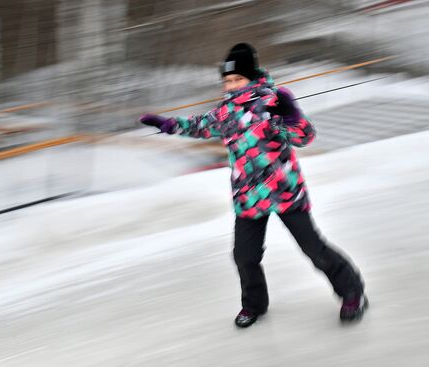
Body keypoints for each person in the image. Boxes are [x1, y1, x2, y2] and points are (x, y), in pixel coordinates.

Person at [139, 43, 367, 328]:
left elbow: (303, 137)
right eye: (228, 81)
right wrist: (169, 124)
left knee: (313, 248)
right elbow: (199, 125)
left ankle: (352, 291)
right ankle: (255, 304)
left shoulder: (273, 101)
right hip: (248, 196)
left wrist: (292, 116)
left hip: (284, 189)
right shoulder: (226, 112)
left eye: (238, 79)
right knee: (244, 257)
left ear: (252, 76)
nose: (232, 86)